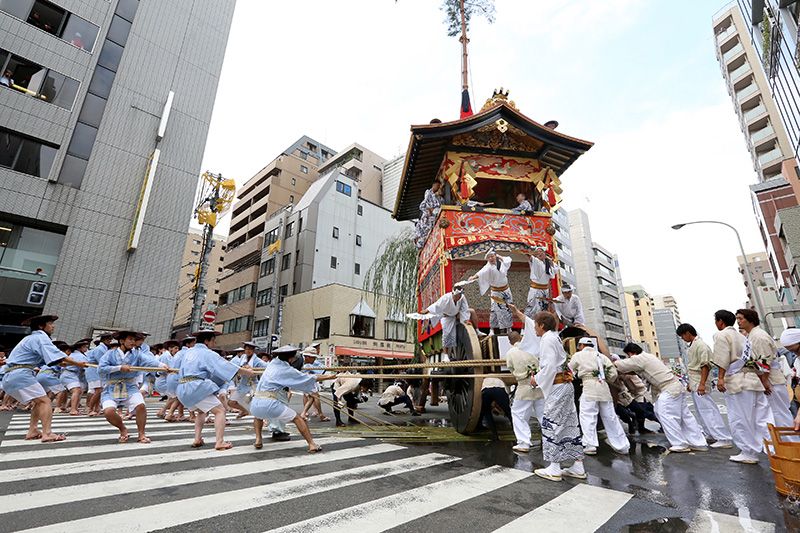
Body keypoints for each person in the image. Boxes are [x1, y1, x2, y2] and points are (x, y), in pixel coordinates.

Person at [3, 315, 88, 442]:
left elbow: (55, 361)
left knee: (39, 401)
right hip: (21, 374)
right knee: (45, 401)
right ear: (41, 326)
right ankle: (47, 433)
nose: (53, 326)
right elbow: (59, 357)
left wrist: (70, 363)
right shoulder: (40, 337)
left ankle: (32, 430)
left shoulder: (30, 338)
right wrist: (77, 363)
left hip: (13, 374)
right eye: (50, 323)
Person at [617, 343, 707, 453]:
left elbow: (620, 365)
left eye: (628, 355)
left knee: (665, 413)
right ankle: (698, 443)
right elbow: (634, 370)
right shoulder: (648, 357)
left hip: (669, 388)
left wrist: (604, 362)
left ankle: (680, 443)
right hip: (675, 387)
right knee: (685, 416)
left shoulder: (639, 358)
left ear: (631, 353)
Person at [530, 311, 586, 482]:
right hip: (565, 385)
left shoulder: (546, 340)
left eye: (535, 325)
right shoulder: (554, 337)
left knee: (552, 424)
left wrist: (535, 380)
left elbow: (548, 368)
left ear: (541, 325)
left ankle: (554, 468)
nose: (534, 328)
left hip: (557, 387)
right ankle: (578, 465)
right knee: (569, 424)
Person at [177, 330, 256, 450]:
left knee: (202, 411)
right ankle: (219, 442)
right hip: (195, 387)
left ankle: (197, 439)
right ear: (206, 341)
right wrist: (247, 372)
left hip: (182, 387)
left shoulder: (188, 352)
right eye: (213, 341)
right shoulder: (207, 353)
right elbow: (227, 367)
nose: (214, 344)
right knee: (220, 411)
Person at [712, 309, 772, 464]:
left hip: (737, 381)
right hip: (753, 380)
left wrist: (720, 378)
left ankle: (748, 452)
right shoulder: (743, 336)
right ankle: (774, 448)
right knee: (762, 417)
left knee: (740, 419)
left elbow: (722, 358)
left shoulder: (722, 335)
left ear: (720, 322)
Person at [250, 345, 336, 452]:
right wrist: (330, 377)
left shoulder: (272, 363)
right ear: (291, 358)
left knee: (258, 416)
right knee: (298, 418)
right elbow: (306, 378)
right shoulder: (286, 370)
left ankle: (258, 439)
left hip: (255, 402)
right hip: (269, 402)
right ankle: (312, 444)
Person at [98, 331, 167, 444]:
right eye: (130, 339)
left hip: (130, 386)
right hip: (112, 387)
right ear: (121, 341)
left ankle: (141, 434)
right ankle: (122, 429)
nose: (133, 342)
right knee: (108, 412)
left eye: (134, 340)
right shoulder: (110, 354)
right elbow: (101, 369)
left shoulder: (137, 354)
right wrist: (119, 368)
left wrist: (162, 366)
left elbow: (149, 361)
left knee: (140, 406)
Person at [676, 323, 733, 448]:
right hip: (695, 381)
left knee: (708, 410)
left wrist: (702, 384)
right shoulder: (693, 346)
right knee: (702, 411)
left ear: (687, 333)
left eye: (682, 336)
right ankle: (711, 434)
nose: (682, 339)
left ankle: (723, 437)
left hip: (700, 381)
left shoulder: (701, 345)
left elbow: (705, 365)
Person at [569, 338, 630, 455]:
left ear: (581, 345)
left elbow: (570, 369)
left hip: (588, 387)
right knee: (610, 417)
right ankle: (622, 446)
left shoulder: (578, 355)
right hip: (604, 388)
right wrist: (605, 378)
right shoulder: (602, 356)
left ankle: (590, 445)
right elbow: (613, 373)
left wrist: (577, 375)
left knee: (587, 416)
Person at [735, 309, 792, 427]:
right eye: (737, 319)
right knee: (775, 415)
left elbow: (765, 361)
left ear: (750, 319)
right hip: (768, 379)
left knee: (779, 414)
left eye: (741, 318)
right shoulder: (752, 336)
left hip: (771, 381)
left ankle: (791, 442)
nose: (738, 321)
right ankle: (782, 443)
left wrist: (765, 381)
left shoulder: (758, 336)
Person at [505, 311, 545, 453]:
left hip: (523, 386)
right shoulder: (532, 348)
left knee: (518, 414)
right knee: (542, 414)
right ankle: (549, 440)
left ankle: (523, 442)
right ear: (521, 338)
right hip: (539, 385)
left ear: (510, 342)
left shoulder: (510, 353)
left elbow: (511, 368)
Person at [420, 281, 476, 356]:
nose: (458, 297)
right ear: (453, 294)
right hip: (447, 317)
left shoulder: (462, 297)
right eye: (457, 296)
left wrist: (465, 320)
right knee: (446, 335)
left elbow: (464, 308)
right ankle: (446, 355)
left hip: (457, 314)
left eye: (459, 295)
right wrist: (427, 310)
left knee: (472, 311)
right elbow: (436, 305)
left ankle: (477, 331)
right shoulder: (445, 298)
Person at [468, 249, 514, 332]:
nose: (491, 258)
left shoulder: (502, 262)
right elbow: (481, 273)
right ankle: (492, 330)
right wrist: (473, 277)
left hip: (506, 289)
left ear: (495, 256)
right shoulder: (488, 267)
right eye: (489, 257)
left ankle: (509, 328)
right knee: (494, 310)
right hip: (496, 291)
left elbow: (508, 260)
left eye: (492, 256)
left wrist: (498, 256)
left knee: (508, 308)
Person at [165, 336, 195, 422]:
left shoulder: (179, 352)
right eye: (193, 343)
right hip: (179, 376)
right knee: (184, 395)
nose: (194, 345)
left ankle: (180, 414)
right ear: (188, 344)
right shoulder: (188, 352)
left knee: (179, 396)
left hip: (172, 376)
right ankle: (171, 413)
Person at [85, 333, 113, 416]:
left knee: (99, 391)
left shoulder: (103, 349)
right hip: (94, 370)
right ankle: (90, 408)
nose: (110, 341)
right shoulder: (100, 349)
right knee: (98, 390)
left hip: (98, 371)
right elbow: (102, 361)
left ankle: (96, 408)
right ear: (104, 340)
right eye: (108, 339)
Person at [524, 246, 556, 318]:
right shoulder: (535, 261)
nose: (539, 253)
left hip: (545, 290)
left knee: (543, 309)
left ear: (545, 253)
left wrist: (550, 261)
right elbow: (529, 256)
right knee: (532, 309)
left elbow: (554, 272)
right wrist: (527, 251)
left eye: (541, 251)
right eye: (538, 252)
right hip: (535, 290)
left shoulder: (548, 264)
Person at [300, 348, 330, 422]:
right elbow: (319, 373)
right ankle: (320, 415)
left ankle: (304, 413)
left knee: (311, 397)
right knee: (315, 396)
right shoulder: (306, 364)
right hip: (306, 381)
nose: (314, 359)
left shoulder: (304, 362)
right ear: (307, 356)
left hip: (304, 381)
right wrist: (330, 376)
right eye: (314, 357)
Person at [155, 340, 180, 419]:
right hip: (163, 380)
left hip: (166, 379)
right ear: (170, 348)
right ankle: (165, 411)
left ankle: (164, 411)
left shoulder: (169, 356)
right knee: (176, 397)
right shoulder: (166, 356)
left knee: (173, 397)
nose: (177, 350)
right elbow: (169, 369)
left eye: (178, 348)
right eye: (175, 348)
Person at [414, 181, 442, 248]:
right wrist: (430, 210)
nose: (438, 187)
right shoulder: (428, 193)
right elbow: (422, 206)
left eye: (439, 186)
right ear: (434, 185)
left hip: (432, 216)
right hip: (432, 215)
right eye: (437, 186)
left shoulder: (434, 195)